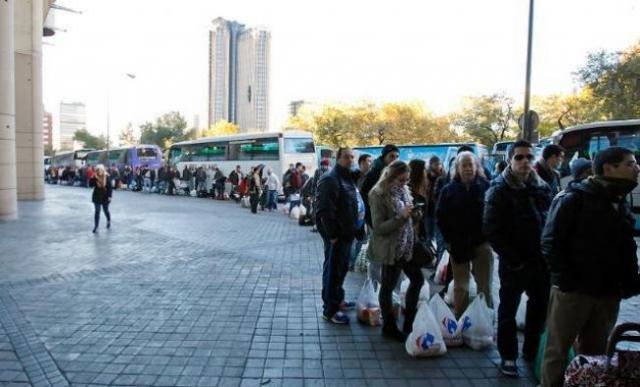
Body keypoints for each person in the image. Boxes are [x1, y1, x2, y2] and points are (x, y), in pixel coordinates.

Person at [540, 147, 640, 387]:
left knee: (595, 355)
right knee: (558, 351)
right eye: (630, 164)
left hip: (607, 294)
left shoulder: (619, 200)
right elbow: (551, 243)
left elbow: (625, 249)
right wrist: (567, 281)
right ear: (609, 169)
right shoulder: (574, 198)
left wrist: (628, 283)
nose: (637, 168)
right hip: (573, 293)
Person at [484, 140, 553, 378]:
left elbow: (551, 223)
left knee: (538, 310)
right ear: (510, 160)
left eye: (529, 158)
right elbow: (492, 229)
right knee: (508, 311)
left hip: (541, 263)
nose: (525, 162)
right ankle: (508, 356)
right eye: (520, 157)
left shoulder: (543, 186)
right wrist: (513, 258)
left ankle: (531, 352)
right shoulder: (499, 189)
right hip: (514, 264)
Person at [368, 160, 423, 340]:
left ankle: (409, 321)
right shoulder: (378, 194)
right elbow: (378, 227)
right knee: (388, 286)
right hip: (391, 248)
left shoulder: (404, 191)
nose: (404, 184)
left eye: (407, 180)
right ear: (390, 177)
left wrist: (415, 215)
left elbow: (408, 219)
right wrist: (401, 217)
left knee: (417, 279)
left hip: (406, 246)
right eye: (401, 180)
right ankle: (389, 326)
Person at [436, 152, 493, 318]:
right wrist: (449, 240)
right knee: (461, 286)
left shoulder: (487, 187)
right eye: (464, 165)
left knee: (485, 285)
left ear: (476, 167)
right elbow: (441, 216)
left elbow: (496, 214)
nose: (468, 169)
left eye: (471, 165)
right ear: (457, 169)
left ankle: (484, 318)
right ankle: (461, 319)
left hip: (482, 243)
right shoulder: (448, 190)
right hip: (458, 243)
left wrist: (489, 236)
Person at [316, 147, 365, 324]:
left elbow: (353, 204)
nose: (350, 160)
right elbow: (324, 211)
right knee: (333, 272)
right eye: (346, 157)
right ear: (337, 158)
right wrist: (332, 235)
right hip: (337, 236)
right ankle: (330, 310)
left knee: (342, 269)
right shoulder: (331, 179)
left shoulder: (347, 178)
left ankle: (338, 299)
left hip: (347, 233)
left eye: (352, 157)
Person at [360, 144, 400, 227]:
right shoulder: (375, 173)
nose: (394, 159)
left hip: (389, 217)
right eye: (391, 156)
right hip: (377, 219)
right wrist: (371, 220)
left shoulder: (392, 172)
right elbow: (365, 196)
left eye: (397, 157)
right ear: (384, 157)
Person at [89, 164, 113, 233]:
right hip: (97, 196)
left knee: (106, 210)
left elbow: (110, 188)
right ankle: (96, 226)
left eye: (100, 170)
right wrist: (92, 178)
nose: (99, 171)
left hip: (105, 196)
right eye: (98, 170)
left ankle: (108, 220)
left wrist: (110, 196)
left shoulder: (107, 177)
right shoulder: (94, 177)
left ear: (103, 170)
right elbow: (91, 185)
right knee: (97, 211)